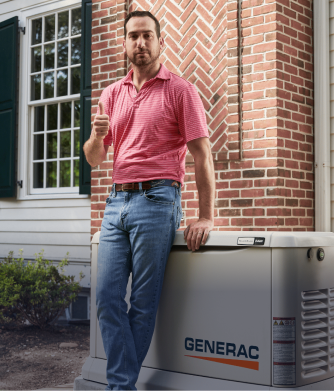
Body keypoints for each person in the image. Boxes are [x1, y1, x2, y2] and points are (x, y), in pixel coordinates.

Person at [81, 10, 216, 391]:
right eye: (133, 36)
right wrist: (95, 134)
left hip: (158, 200)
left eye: (147, 36)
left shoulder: (180, 90)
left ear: (160, 41)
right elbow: (94, 158)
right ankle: (122, 385)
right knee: (106, 299)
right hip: (116, 202)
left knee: (142, 302)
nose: (140, 43)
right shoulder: (111, 94)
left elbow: (202, 155)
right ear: (124, 43)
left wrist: (206, 216)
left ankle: (118, 387)